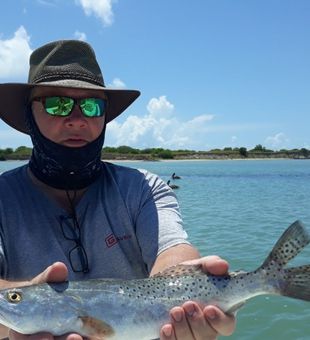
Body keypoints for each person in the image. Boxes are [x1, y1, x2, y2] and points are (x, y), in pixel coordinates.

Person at [0, 40, 235, 340]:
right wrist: (28, 301)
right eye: (56, 104)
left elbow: (173, 249)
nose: (76, 119)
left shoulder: (144, 188)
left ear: (104, 116)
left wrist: (191, 293)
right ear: (29, 114)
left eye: (91, 105)